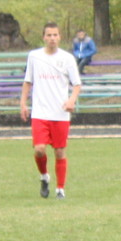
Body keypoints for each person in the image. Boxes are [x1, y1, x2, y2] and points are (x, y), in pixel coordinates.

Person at [20, 22, 81, 198]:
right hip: (40, 112)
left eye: (55, 35)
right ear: (44, 37)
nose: (52, 38)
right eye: (49, 35)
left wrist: (71, 100)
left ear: (60, 37)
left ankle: (60, 188)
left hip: (60, 113)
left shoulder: (67, 58)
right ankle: (44, 176)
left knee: (59, 151)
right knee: (39, 149)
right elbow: (28, 81)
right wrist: (23, 104)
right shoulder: (34, 56)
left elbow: (76, 84)